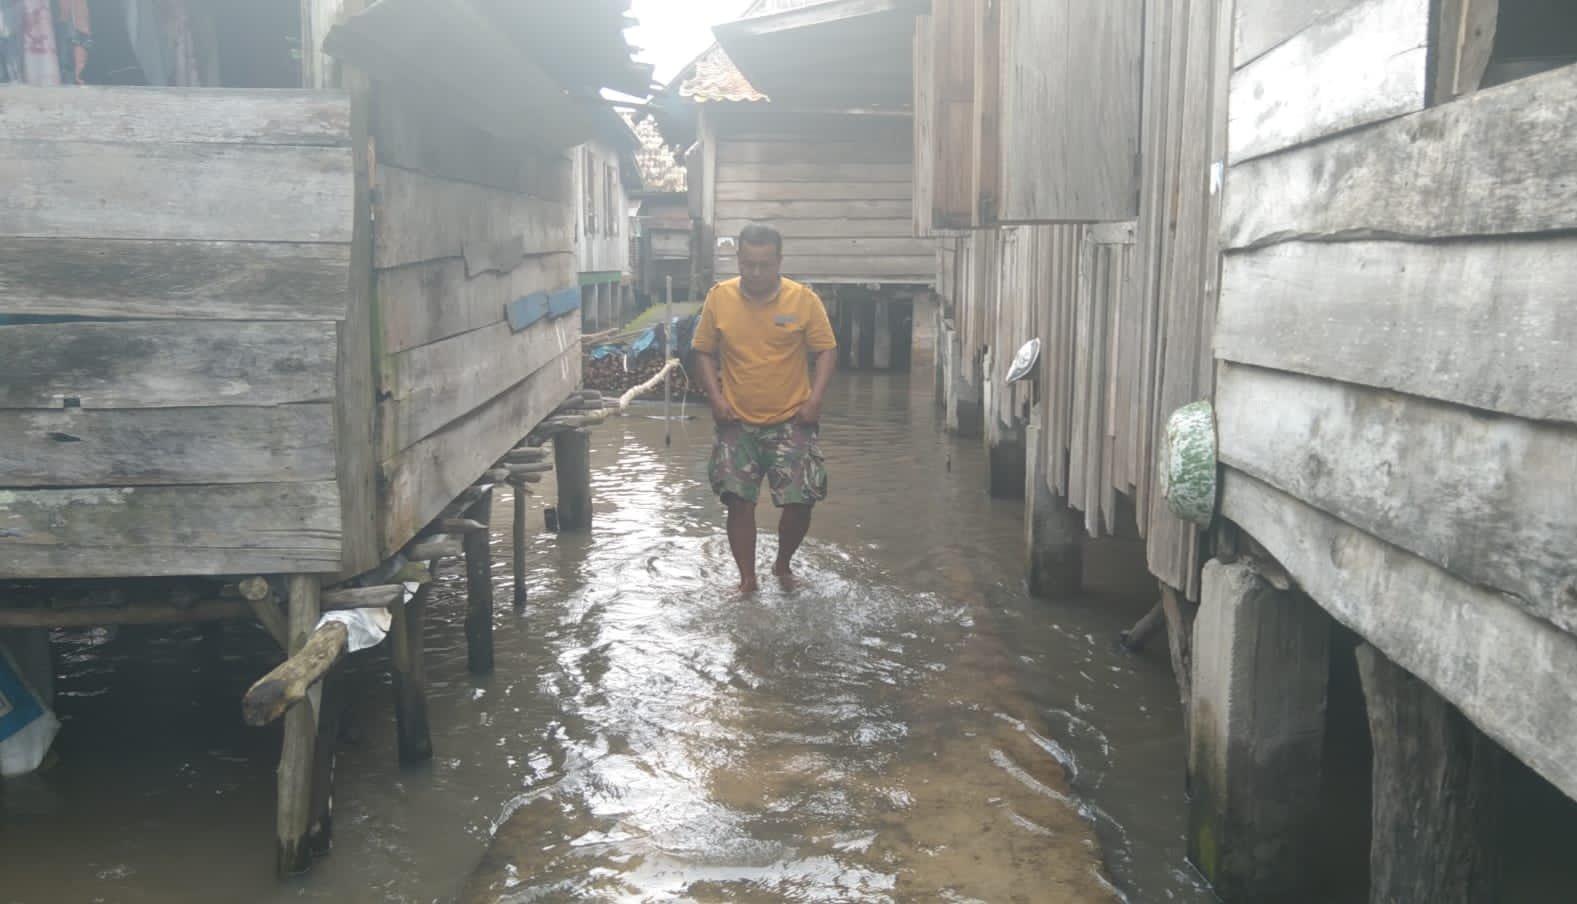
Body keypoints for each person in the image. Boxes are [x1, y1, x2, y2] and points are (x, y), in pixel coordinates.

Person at [692, 223, 838, 593]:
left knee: (801, 500)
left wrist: (815, 400)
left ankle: (782, 566)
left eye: (764, 265)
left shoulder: (803, 300)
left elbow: (826, 350)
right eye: (748, 264)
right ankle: (747, 580)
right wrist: (716, 399)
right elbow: (703, 351)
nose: (755, 273)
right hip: (736, 418)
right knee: (738, 502)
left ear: (779, 261)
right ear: (738, 260)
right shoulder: (719, 298)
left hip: (792, 417)